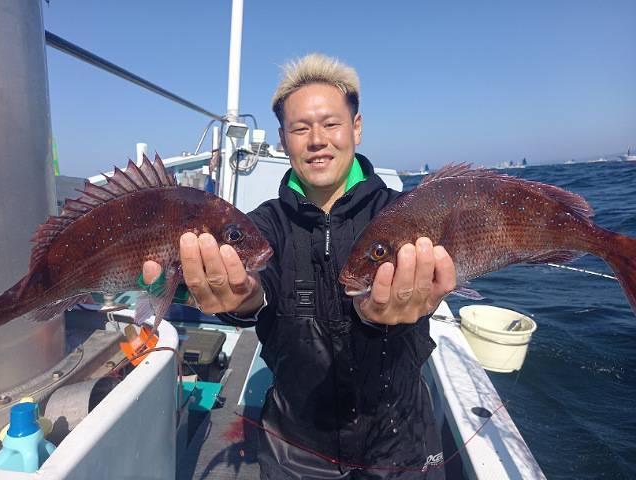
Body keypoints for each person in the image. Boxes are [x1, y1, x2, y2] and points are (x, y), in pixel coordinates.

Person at [143, 53, 456, 479]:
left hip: (401, 436)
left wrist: (409, 304)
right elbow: (256, 284)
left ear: (356, 128)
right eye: (300, 128)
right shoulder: (263, 224)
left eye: (331, 124)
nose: (317, 140)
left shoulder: (405, 215)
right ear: (283, 138)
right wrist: (241, 297)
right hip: (296, 443)